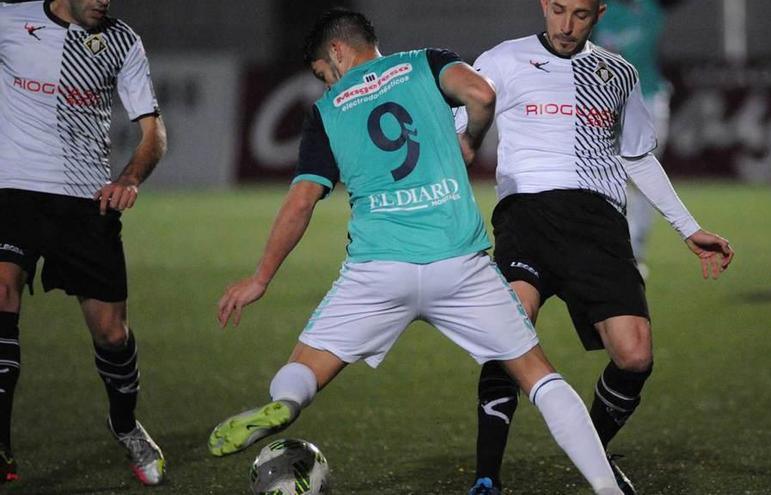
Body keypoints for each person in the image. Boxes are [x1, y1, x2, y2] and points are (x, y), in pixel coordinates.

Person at [208, 8, 624, 495]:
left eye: (324, 74)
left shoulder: (326, 112)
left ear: (338, 52)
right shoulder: (426, 63)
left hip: (377, 270)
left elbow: (301, 201)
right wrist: (470, 137)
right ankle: (606, 488)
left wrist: (260, 278)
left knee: (304, 366)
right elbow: (482, 94)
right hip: (459, 264)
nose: (327, 83)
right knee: (537, 375)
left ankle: (287, 402)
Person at [454, 1, 734, 494]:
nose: (566, 25)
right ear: (544, 4)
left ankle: (592, 455)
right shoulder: (500, 60)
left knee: (635, 356)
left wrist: (688, 227)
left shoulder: (618, 72)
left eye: (580, 14)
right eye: (558, 9)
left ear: (599, 13)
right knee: (507, 337)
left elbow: (638, 157)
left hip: (598, 224)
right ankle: (486, 477)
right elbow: (459, 137)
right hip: (527, 218)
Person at [0, 0, 166, 486]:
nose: (104, 1)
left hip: (85, 200)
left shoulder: (122, 41)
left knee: (112, 334)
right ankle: (1, 444)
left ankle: (123, 423)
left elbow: (153, 133)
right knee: (2, 289)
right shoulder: (10, 19)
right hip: (14, 191)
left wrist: (131, 177)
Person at [592, 0, 684, 277]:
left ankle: (635, 251)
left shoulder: (651, 7)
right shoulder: (598, 10)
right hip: (610, 101)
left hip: (650, 98)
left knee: (644, 177)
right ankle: (613, 247)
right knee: (608, 176)